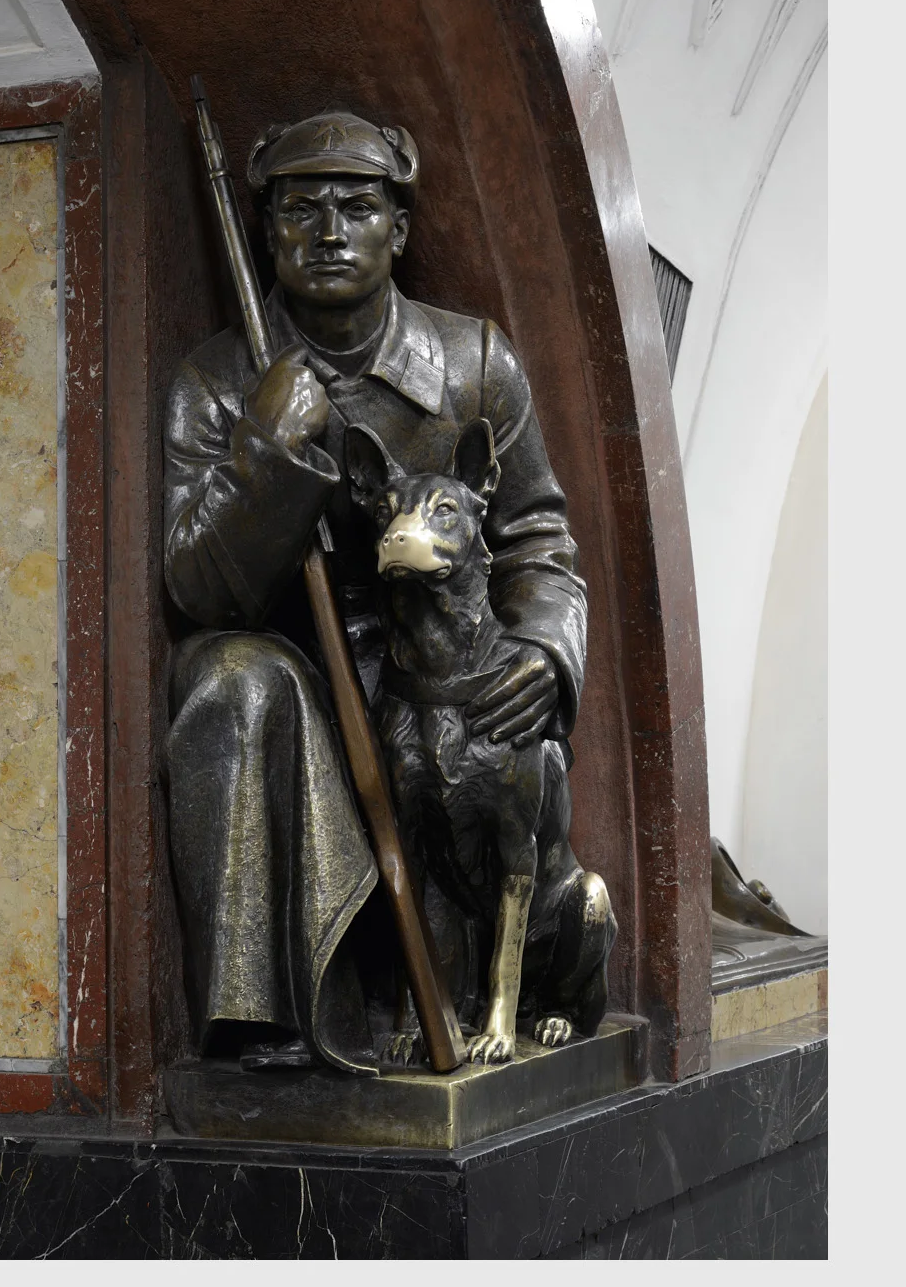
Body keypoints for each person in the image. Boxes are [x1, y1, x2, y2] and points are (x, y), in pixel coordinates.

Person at [163, 112, 588, 1071]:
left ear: (398, 229)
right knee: (233, 679)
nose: (329, 232)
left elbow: (538, 536)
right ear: (267, 232)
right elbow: (194, 587)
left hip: (445, 662)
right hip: (304, 664)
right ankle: (267, 1025)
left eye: (357, 208)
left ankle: (489, 993)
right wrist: (268, 452)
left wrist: (544, 649)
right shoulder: (215, 381)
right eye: (301, 210)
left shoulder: (476, 363)